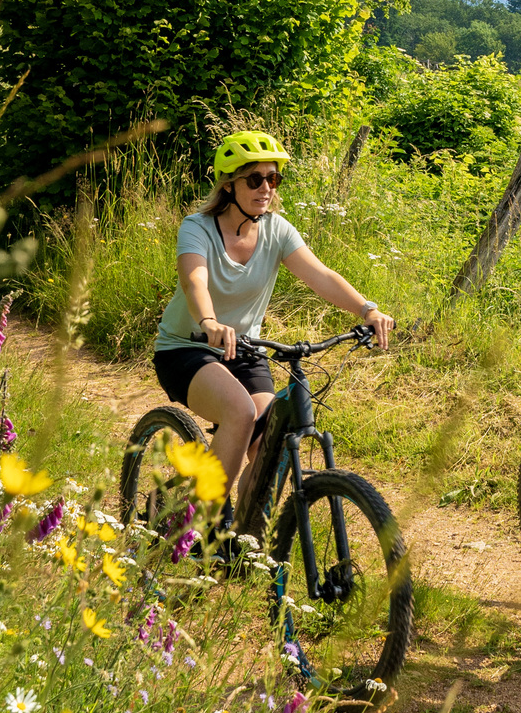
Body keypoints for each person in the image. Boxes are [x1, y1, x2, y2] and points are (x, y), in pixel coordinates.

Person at [152, 130, 394, 501]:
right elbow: (194, 281)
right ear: (230, 185)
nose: (266, 187)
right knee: (239, 411)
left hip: (245, 352)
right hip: (188, 347)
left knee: (274, 442)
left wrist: (368, 309)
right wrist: (209, 322)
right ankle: (203, 521)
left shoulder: (276, 230)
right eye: (255, 179)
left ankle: (244, 539)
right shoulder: (197, 228)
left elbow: (322, 276)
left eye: (273, 178)